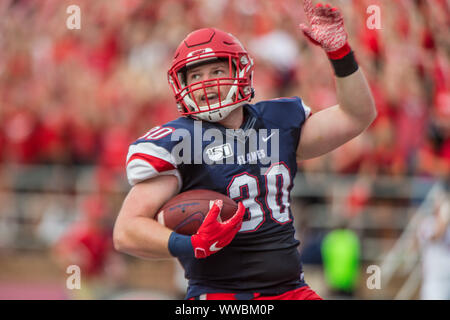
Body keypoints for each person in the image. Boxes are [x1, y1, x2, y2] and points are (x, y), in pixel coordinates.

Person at [113, 0, 376, 300]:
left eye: (215, 70)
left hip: (292, 290)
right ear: (181, 84)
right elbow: (126, 231)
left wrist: (339, 54)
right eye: (195, 76)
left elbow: (356, 116)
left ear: (239, 70)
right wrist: (191, 244)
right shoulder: (180, 140)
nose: (206, 83)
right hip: (220, 296)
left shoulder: (277, 123)